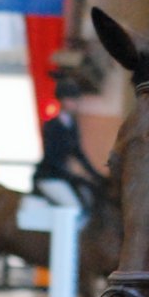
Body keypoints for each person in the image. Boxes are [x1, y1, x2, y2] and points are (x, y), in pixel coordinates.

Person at [34, 77, 102, 212]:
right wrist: (72, 175)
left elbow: (78, 153)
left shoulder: (72, 125)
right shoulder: (52, 125)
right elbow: (51, 157)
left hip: (63, 176)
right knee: (73, 207)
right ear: (63, 100)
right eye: (72, 99)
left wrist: (96, 175)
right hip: (50, 177)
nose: (75, 103)